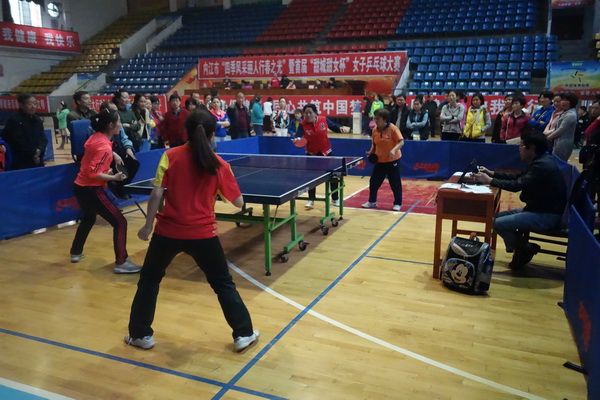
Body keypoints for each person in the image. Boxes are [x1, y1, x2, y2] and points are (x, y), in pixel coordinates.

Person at [125, 110, 258, 352]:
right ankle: (243, 334)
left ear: (186, 131)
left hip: (167, 233)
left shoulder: (170, 156)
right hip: (203, 235)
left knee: (149, 281)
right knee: (223, 284)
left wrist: (147, 226)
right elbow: (239, 203)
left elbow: (156, 193)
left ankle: (140, 335)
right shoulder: (219, 165)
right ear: (212, 134)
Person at [473, 131, 567, 270]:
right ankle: (523, 248)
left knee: (497, 223)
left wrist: (490, 181)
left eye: (522, 145)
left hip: (547, 215)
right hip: (538, 208)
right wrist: (492, 173)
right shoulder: (540, 160)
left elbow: (516, 185)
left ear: (532, 148)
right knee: (495, 218)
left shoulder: (542, 166)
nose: (519, 148)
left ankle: (524, 249)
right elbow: (518, 176)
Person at [69, 108, 141, 273]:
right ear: (110, 125)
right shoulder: (104, 147)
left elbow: (93, 159)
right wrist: (114, 177)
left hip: (80, 186)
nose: (120, 124)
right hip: (92, 189)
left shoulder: (96, 138)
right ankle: (121, 262)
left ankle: (75, 252)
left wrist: (113, 154)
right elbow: (93, 173)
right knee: (120, 222)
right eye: (118, 122)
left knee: (88, 218)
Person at [291, 103, 350, 208]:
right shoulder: (302, 124)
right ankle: (311, 200)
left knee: (334, 174)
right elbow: (298, 136)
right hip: (312, 154)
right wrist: (296, 139)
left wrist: (340, 128)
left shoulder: (323, 119)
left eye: (310, 113)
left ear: (315, 113)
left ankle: (335, 198)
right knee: (311, 178)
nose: (308, 115)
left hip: (326, 152)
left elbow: (334, 127)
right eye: (306, 113)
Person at [362, 108, 404, 211]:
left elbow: (401, 142)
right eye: (375, 118)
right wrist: (371, 152)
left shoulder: (393, 129)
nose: (375, 120)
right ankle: (372, 201)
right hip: (380, 161)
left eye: (378, 119)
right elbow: (374, 144)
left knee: (395, 183)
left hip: (393, 160)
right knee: (374, 182)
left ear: (385, 119)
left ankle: (397, 203)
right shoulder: (374, 130)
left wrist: (393, 150)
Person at [1, 93, 46, 170]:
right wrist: (32, 153)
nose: (33, 106)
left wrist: (40, 150)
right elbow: (16, 141)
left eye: (35, 103)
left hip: (38, 159)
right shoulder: (14, 120)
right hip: (21, 162)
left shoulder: (37, 120)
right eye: (29, 104)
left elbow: (43, 138)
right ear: (21, 105)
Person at [544, 91, 578, 161]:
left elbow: (560, 130)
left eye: (566, 100)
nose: (563, 102)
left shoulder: (570, 114)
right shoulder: (565, 112)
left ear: (572, 102)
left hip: (563, 143)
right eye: (562, 100)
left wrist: (547, 138)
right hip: (556, 141)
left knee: (559, 162)